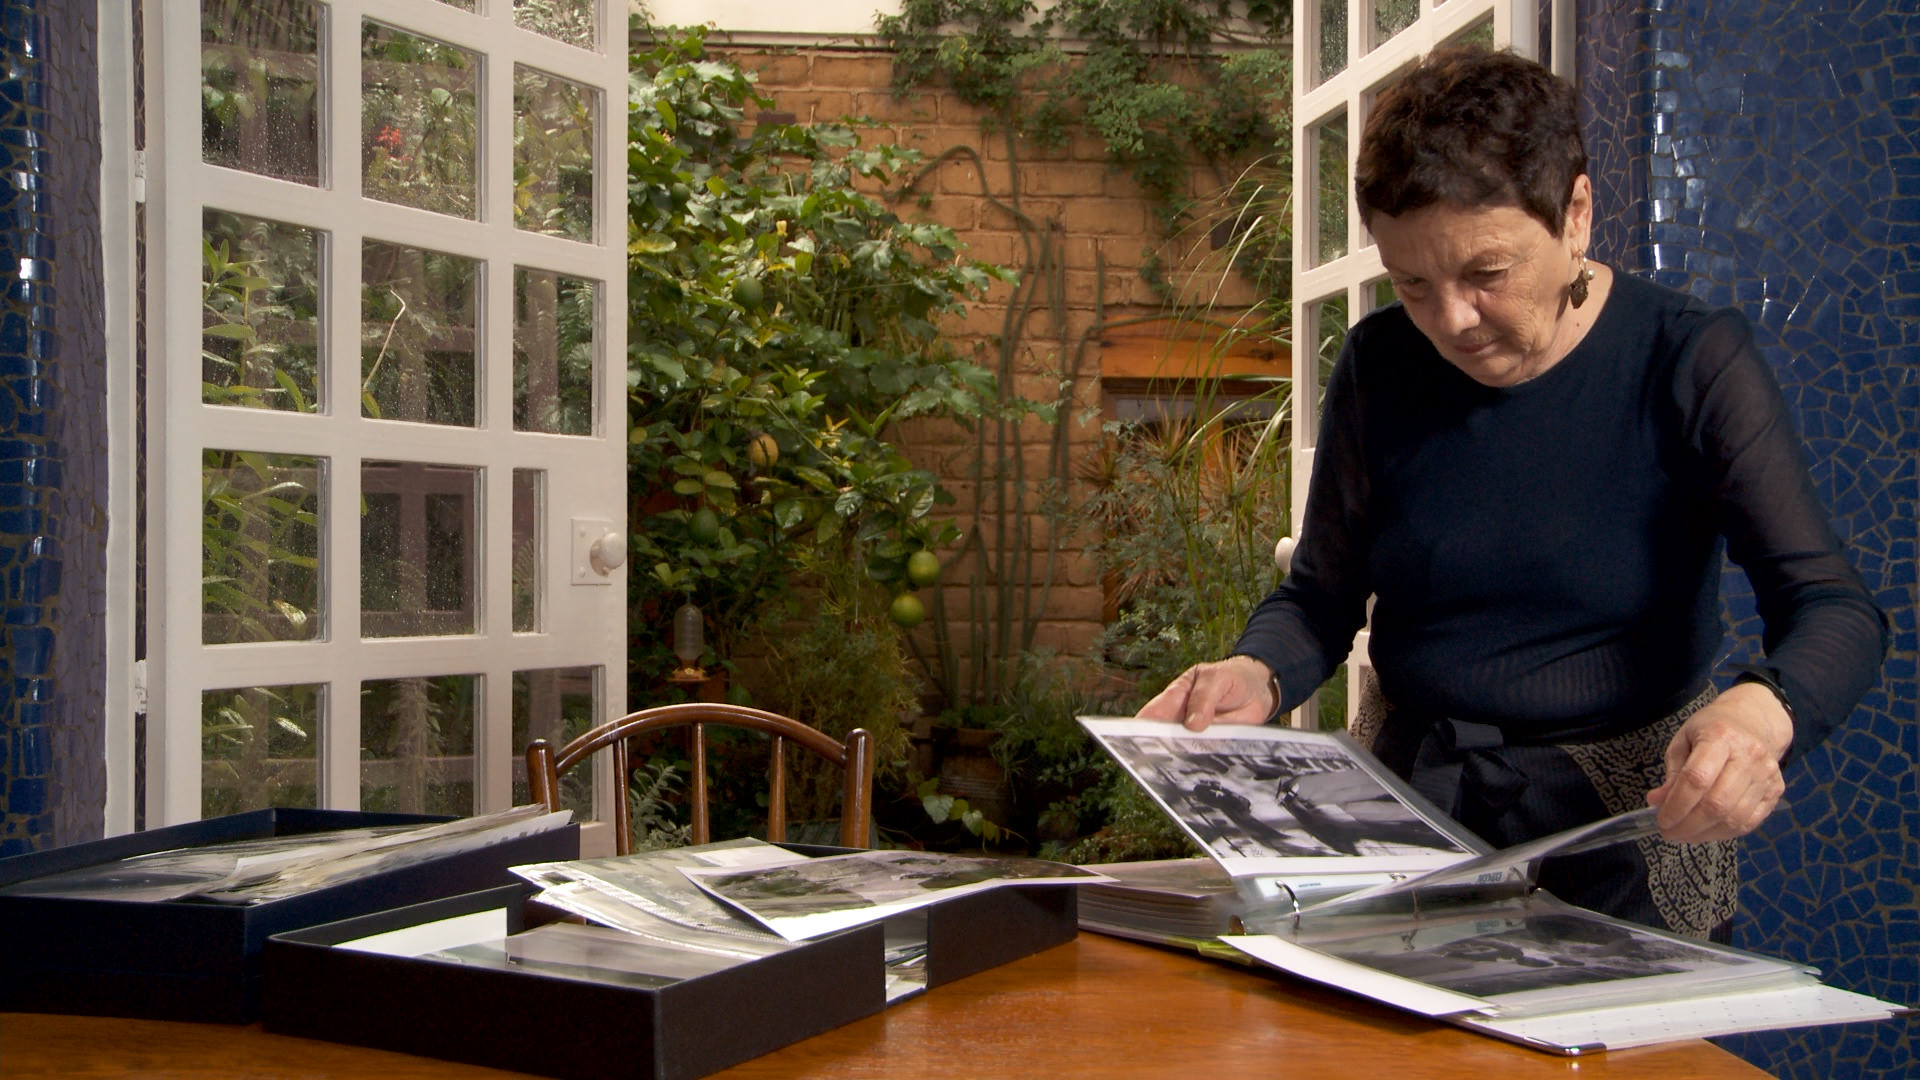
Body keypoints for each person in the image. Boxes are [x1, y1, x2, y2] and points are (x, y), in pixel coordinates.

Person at [1137, 46, 1887, 940]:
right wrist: (1256, 671)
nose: (1451, 319)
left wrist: (1761, 714)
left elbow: (1834, 608)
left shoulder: (1689, 362)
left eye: (1485, 273)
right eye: (1413, 284)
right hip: (1408, 815)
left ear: (1576, 214)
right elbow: (1321, 596)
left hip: (1633, 829)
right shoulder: (1381, 365)